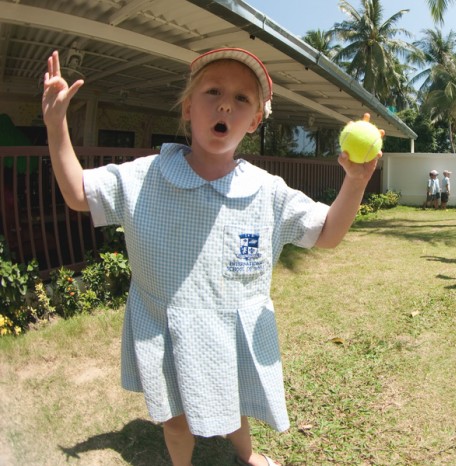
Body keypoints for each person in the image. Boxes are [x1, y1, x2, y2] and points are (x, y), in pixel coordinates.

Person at [42, 48, 381, 466]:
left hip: (231, 330)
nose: (225, 104)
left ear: (255, 121)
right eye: (213, 91)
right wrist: (57, 125)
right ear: (187, 108)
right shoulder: (146, 176)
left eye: (242, 99)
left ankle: (248, 455)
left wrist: (356, 182)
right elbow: (78, 193)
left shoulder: (268, 191)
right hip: (166, 327)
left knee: (234, 406)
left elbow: (328, 233)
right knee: (177, 422)